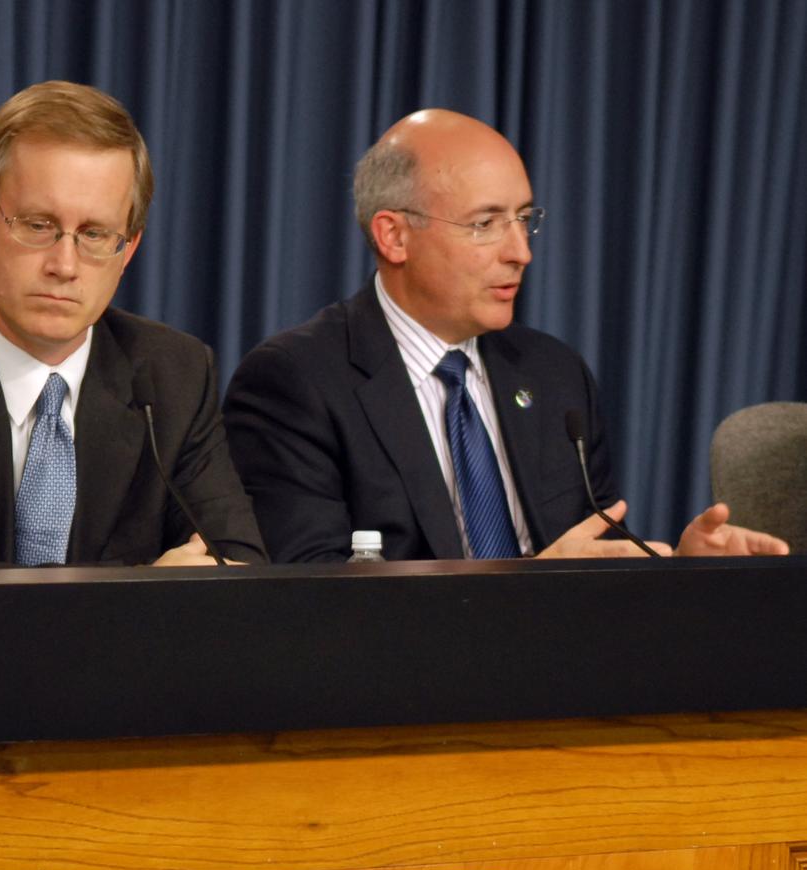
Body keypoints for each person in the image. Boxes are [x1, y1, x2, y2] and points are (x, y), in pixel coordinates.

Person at [223, 109, 786, 562]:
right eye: (485, 224)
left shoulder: (553, 372)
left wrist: (681, 570)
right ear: (394, 236)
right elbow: (313, 599)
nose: (521, 252)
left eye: (523, 219)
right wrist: (533, 589)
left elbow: (595, 551)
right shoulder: (297, 382)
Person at [0, 80, 264, 569]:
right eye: (38, 225)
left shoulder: (173, 377)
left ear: (128, 250)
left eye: (95, 234)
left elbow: (237, 576)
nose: (65, 264)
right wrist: (144, 594)